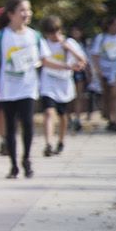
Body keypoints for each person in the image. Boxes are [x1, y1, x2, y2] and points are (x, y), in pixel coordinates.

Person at [0, 0, 43, 179]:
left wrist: (68, 65)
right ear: (11, 14)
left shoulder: (34, 36)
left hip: (28, 87)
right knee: (10, 127)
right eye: (22, 10)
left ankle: (27, 159)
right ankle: (14, 164)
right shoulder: (0, 37)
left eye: (28, 10)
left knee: (28, 124)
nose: (27, 14)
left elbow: (43, 59)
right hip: (8, 88)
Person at [38, 15, 86, 156]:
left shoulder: (69, 42)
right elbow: (43, 61)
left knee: (63, 114)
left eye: (56, 32)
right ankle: (48, 143)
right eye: (51, 33)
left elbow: (82, 60)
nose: (54, 35)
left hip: (64, 82)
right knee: (48, 112)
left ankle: (61, 140)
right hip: (48, 80)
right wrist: (65, 66)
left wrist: (68, 48)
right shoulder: (43, 44)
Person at [89, 16, 116, 132]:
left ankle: (114, 119)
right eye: (115, 24)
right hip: (104, 69)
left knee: (114, 94)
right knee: (106, 94)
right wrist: (98, 71)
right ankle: (108, 116)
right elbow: (95, 55)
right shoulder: (101, 38)